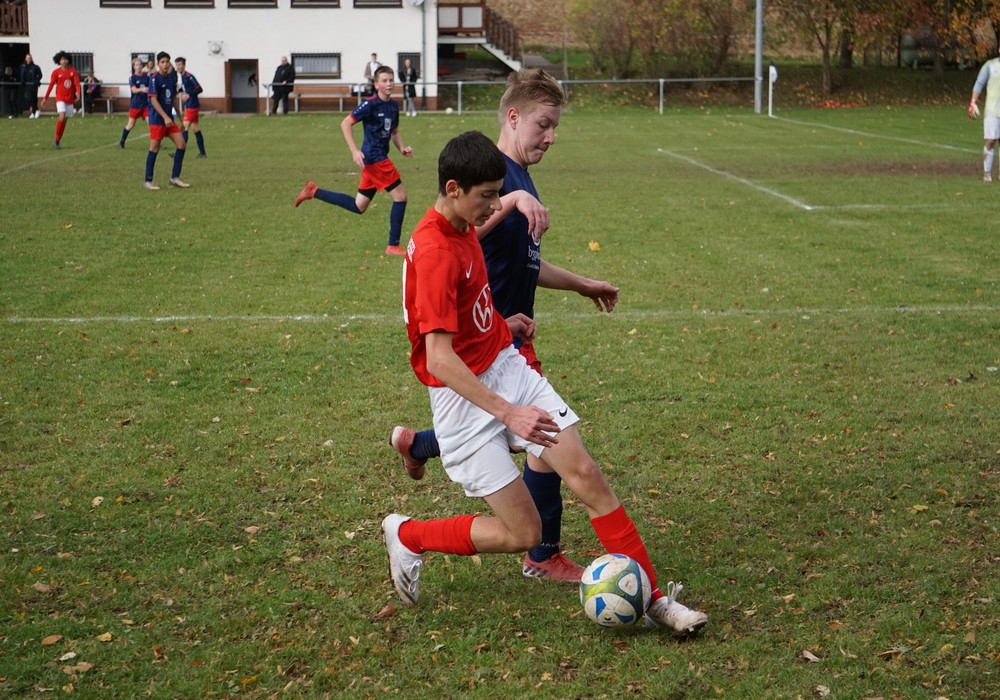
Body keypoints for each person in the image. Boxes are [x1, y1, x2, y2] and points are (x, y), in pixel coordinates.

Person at [381, 130, 709, 636]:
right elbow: (440, 359)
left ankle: (657, 601)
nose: (495, 206)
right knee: (524, 533)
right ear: (452, 189)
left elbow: (471, 297)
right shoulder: (434, 251)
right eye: (488, 196)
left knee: (585, 473)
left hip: (507, 367)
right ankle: (410, 535)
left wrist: (497, 325)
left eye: (499, 193)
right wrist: (509, 413)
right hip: (462, 398)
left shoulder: (463, 224)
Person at [390, 68, 619, 583]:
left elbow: (526, 261)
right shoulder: (492, 184)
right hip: (484, 351)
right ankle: (541, 555)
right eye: (543, 124)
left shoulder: (512, 177)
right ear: (513, 117)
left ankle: (419, 446)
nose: (551, 136)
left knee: (536, 440)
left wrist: (582, 284)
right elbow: (460, 238)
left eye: (555, 127)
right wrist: (512, 201)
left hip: (501, 336)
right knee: (541, 443)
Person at [294, 65, 412, 256]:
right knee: (401, 196)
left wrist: (402, 149)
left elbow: (394, 132)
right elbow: (346, 123)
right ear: (376, 85)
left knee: (359, 206)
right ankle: (393, 245)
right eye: (384, 81)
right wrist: (354, 151)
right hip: (374, 159)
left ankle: (313, 191)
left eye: (391, 80)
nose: (389, 84)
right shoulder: (370, 104)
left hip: (376, 159)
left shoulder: (393, 105)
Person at [144, 51, 190, 190]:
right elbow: (153, 100)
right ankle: (148, 181)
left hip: (169, 121)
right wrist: (165, 117)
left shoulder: (170, 80)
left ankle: (175, 178)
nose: (165, 64)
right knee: (154, 148)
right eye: (162, 62)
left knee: (181, 144)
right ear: (158, 64)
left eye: (167, 62)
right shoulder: (154, 79)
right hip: (157, 120)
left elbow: (174, 100)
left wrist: (181, 119)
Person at [970, 47, 1000, 182]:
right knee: (991, 140)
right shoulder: (990, 65)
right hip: (992, 110)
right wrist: (973, 102)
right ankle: (987, 173)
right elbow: (979, 83)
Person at [40, 51, 81, 149]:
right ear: (59, 61)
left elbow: (76, 83)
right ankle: (55, 141)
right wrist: (45, 98)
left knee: (65, 120)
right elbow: (51, 85)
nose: (64, 61)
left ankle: (57, 141)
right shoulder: (56, 72)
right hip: (60, 98)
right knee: (62, 116)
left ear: (68, 60)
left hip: (69, 98)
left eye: (66, 59)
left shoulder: (72, 71)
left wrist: (78, 92)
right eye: (62, 59)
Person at [174, 57, 206, 158]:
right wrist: (179, 91)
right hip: (190, 105)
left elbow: (199, 89)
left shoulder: (189, 76)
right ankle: (203, 153)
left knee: (184, 127)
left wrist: (189, 95)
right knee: (195, 129)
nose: (178, 67)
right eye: (176, 65)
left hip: (192, 105)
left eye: (179, 65)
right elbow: (186, 89)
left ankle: (179, 153)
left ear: (184, 65)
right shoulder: (182, 76)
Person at [120, 58, 149, 149]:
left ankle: (156, 143)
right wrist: (142, 89)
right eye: (137, 65)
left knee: (151, 124)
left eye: (140, 64)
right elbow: (134, 90)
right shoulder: (132, 78)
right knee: (131, 125)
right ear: (134, 67)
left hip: (145, 105)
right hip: (135, 105)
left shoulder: (146, 78)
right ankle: (122, 142)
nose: (139, 66)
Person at [20, 53, 42, 118]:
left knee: (34, 98)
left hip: (33, 85)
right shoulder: (22, 67)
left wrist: (37, 80)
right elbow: (21, 75)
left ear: (31, 59)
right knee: (28, 98)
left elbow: (40, 75)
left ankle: (34, 112)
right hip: (27, 85)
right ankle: (35, 110)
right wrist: (22, 81)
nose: (28, 59)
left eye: (29, 58)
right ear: (25, 59)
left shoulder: (35, 67)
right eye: (27, 58)